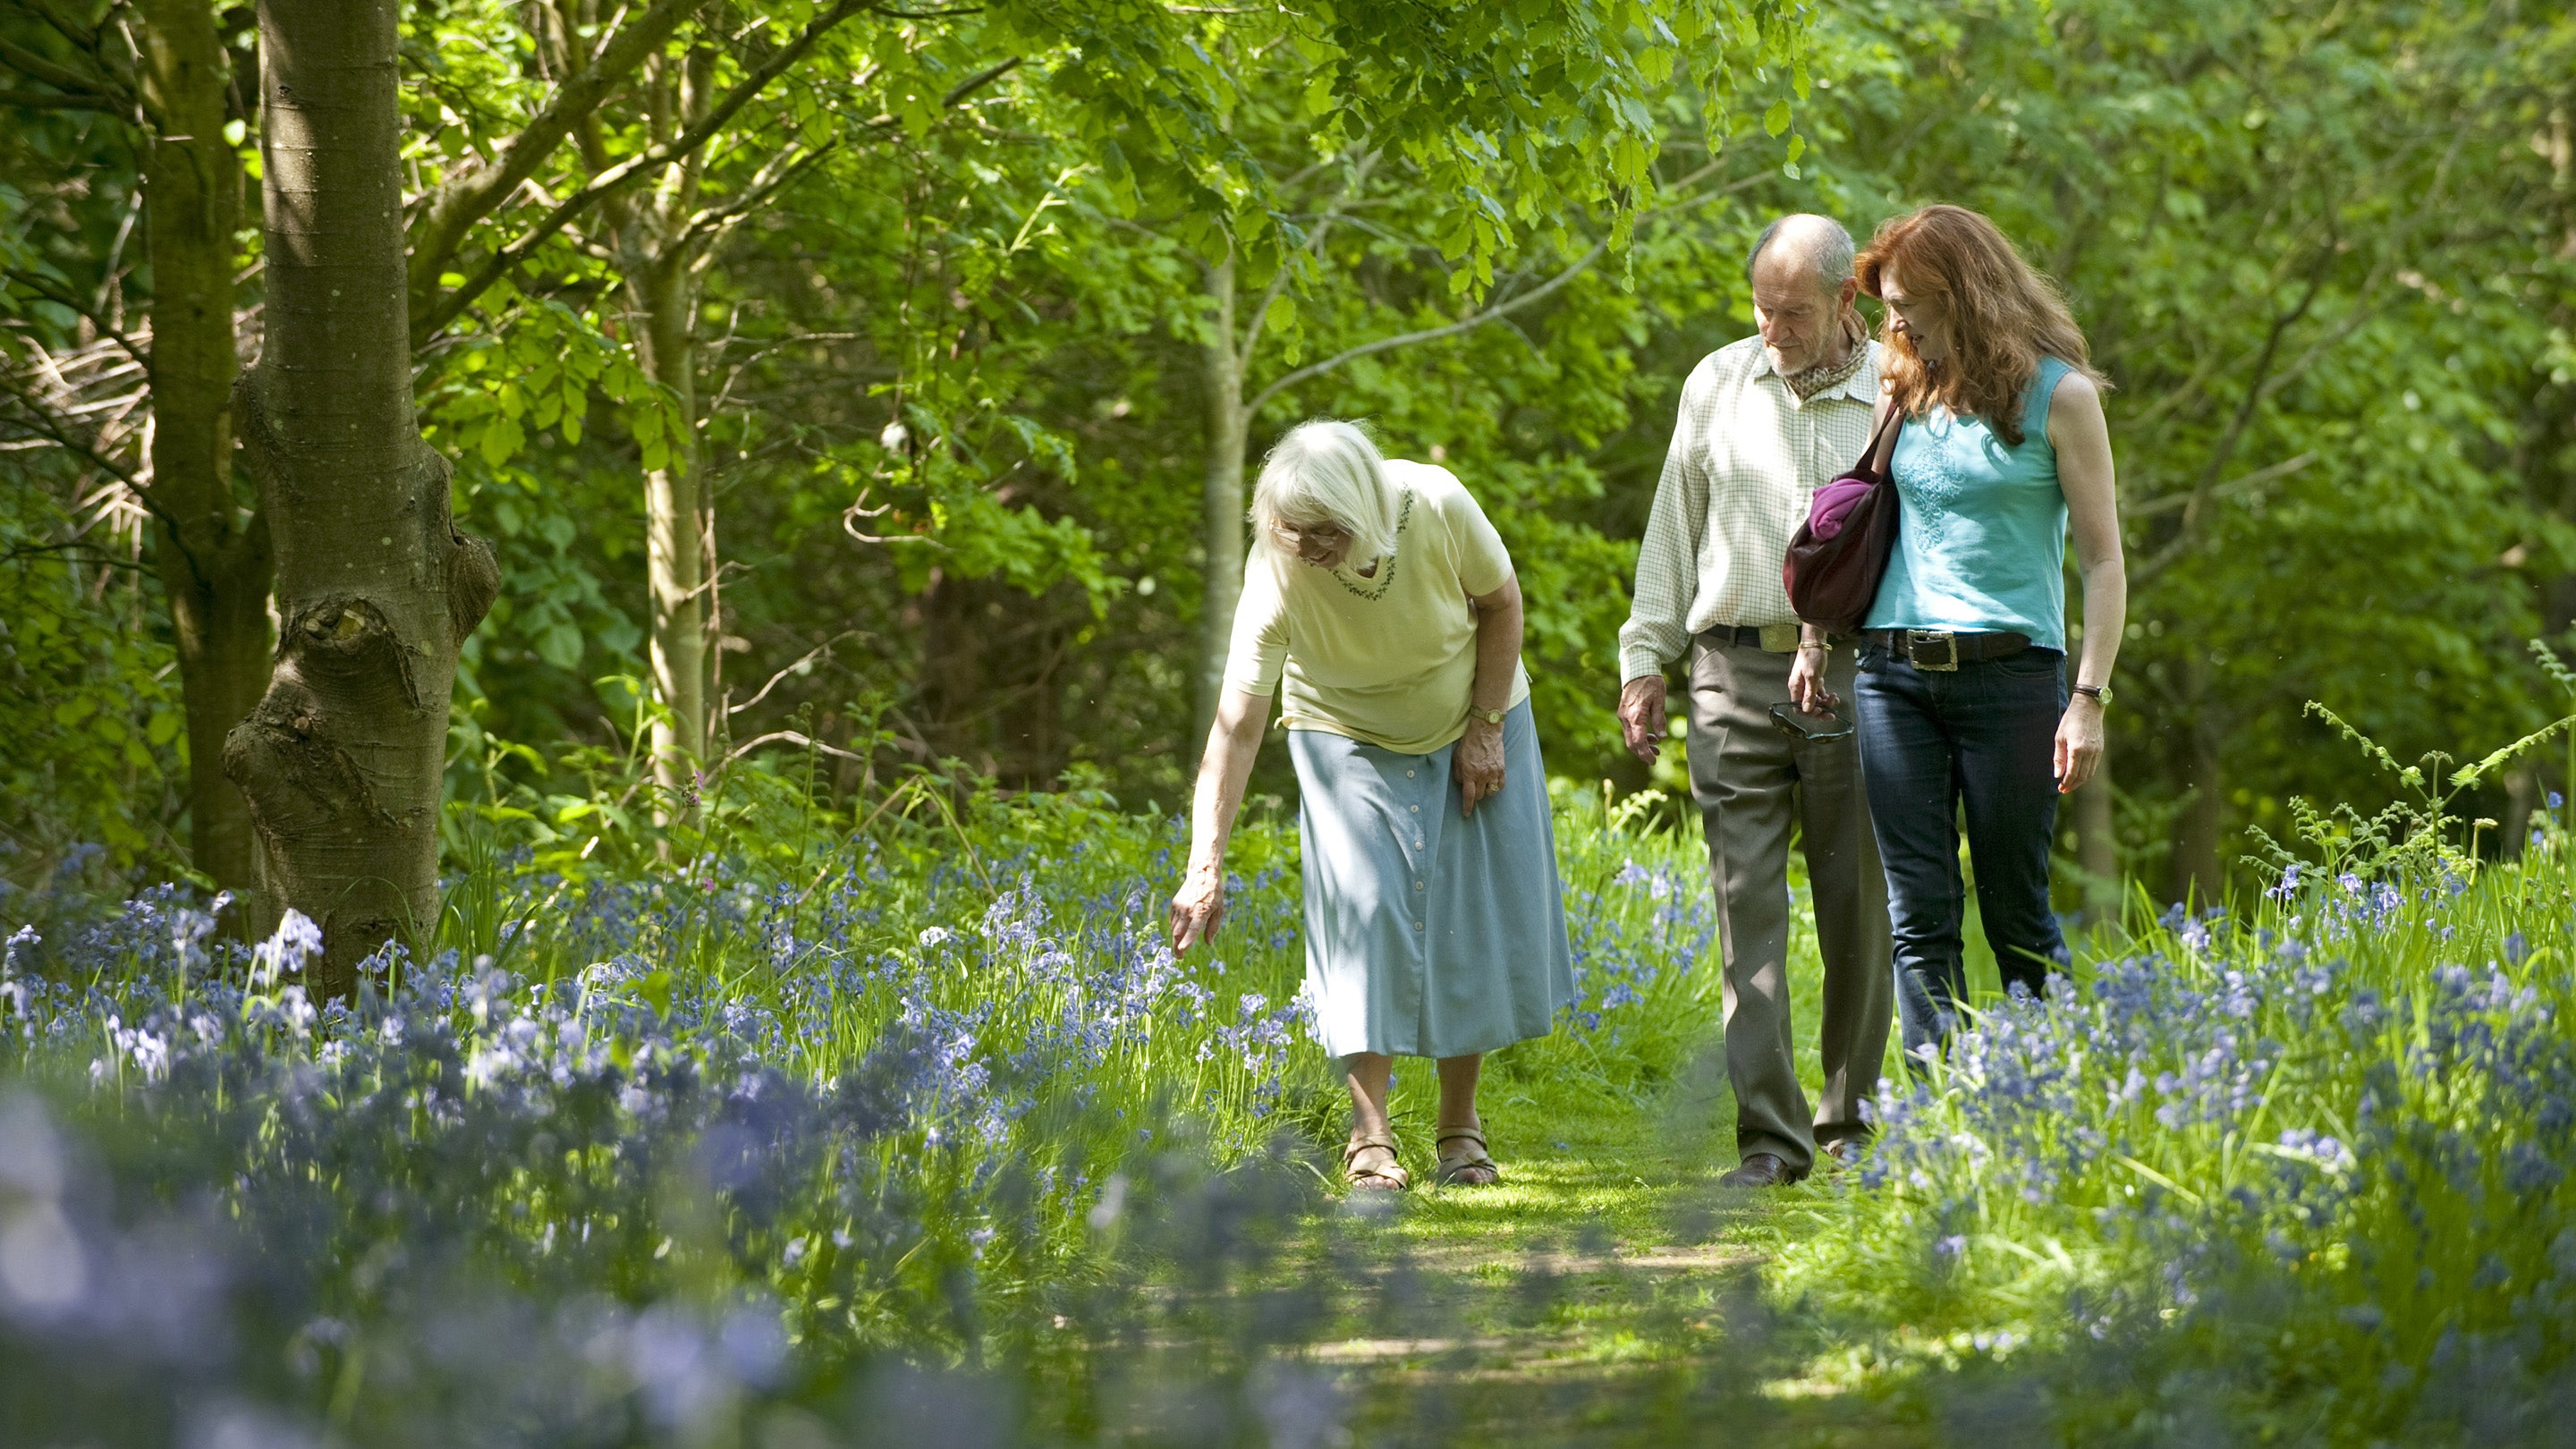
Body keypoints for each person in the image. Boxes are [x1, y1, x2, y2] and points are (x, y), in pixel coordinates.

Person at [1170, 419, 1573, 1191]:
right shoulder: (1277, 570)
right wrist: (1204, 865)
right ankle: (1370, 1138)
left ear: (1363, 514)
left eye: (1324, 534)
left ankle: (1460, 1130)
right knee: (1364, 911)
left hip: (1473, 711)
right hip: (1341, 728)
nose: (1307, 549)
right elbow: (1237, 726)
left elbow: (1503, 604)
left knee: (1468, 913)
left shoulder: (1438, 503)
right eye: (1291, 532)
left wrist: (1485, 726)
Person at [1801, 203, 2125, 1059]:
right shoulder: (1901, 381)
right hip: (1893, 675)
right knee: (1920, 913)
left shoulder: (2065, 396)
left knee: (2018, 914)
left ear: (1966, 292)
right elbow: (1864, 517)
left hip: (2013, 681)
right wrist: (1814, 639)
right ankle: (1936, 1132)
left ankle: (2040, 1116)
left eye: (1907, 300)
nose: (1891, 320)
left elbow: (2103, 564)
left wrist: (2087, 699)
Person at [1617, 215, 1895, 1190]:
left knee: (1858, 906)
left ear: (1847, 302)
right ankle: (1770, 1143)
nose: (1774, 331)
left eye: (1796, 314)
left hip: (1862, 676)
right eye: (1763, 310)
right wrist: (1642, 659)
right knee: (1746, 912)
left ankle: (1851, 1126)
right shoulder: (1717, 382)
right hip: (1730, 670)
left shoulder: (1896, 389)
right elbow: (1672, 526)